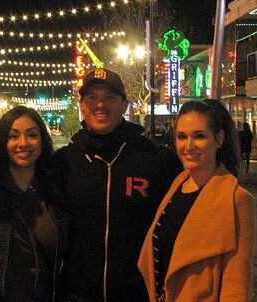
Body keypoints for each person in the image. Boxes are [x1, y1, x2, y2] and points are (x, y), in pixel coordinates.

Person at [53, 68, 183, 301]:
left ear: (124, 105)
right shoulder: (63, 163)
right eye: (92, 97)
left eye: (110, 97)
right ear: (81, 105)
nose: (100, 104)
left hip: (139, 294)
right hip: (76, 294)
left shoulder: (158, 161)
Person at [138, 100, 256, 302]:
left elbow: (237, 285)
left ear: (219, 139)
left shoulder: (236, 199)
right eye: (182, 136)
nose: (188, 146)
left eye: (199, 136)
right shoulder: (177, 186)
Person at [0, 106, 68, 301]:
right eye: (13, 136)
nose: (23, 143)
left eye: (32, 135)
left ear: (42, 140)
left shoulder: (56, 186)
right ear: (2, 141)